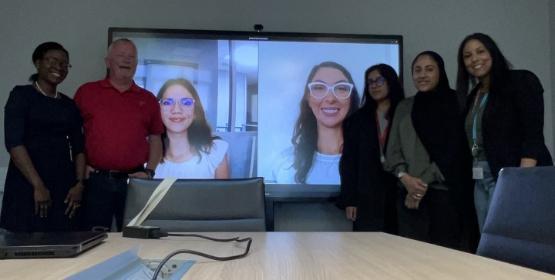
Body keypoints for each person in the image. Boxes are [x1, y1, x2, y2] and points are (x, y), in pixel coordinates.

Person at [456, 33, 553, 231]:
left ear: (493, 52)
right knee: (488, 242)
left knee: (512, 243)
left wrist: (520, 181)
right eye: (467, 56)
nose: (474, 59)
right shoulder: (473, 95)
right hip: (481, 178)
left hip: (512, 176)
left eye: (480, 51)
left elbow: (533, 135)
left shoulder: (521, 81)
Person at [385, 51, 475, 250]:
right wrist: (406, 179)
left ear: (440, 72)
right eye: (417, 70)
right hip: (407, 195)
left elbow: (457, 151)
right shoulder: (405, 106)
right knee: (411, 258)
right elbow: (391, 151)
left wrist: (421, 184)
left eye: (429, 69)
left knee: (445, 260)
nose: (422, 75)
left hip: (445, 194)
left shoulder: (457, 102)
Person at [74, 38, 164, 231]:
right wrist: (80, 166)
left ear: (137, 64)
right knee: (93, 238)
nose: (127, 60)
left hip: (135, 182)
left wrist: (150, 171)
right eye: (121, 55)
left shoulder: (148, 99)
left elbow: (156, 138)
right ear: (108, 62)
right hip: (96, 181)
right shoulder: (87, 92)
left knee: (135, 236)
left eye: (132, 57)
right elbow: (72, 135)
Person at [1, 42, 85, 232]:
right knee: (23, 243)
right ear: (38, 63)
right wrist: (38, 186)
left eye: (64, 64)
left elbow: (79, 147)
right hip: (27, 184)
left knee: (62, 244)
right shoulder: (21, 96)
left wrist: (79, 184)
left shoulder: (68, 105)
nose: (59, 67)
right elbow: (14, 143)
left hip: (64, 187)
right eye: (52, 60)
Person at [338, 64, 404, 232]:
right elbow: (348, 162)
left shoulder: (405, 113)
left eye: (379, 80)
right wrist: (350, 199)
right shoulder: (357, 120)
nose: (374, 85)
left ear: (391, 82)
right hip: (366, 195)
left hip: (399, 192)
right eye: (370, 82)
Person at [272, 61, 360, 184]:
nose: (330, 99)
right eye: (319, 87)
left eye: (341, 88)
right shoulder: (284, 162)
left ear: (351, 98)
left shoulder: (370, 159)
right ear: (308, 98)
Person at [154, 78, 230, 179]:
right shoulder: (145, 156)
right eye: (167, 102)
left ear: (195, 111)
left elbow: (224, 194)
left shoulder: (215, 153)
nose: (176, 109)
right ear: (158, 110)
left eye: (186, 103)